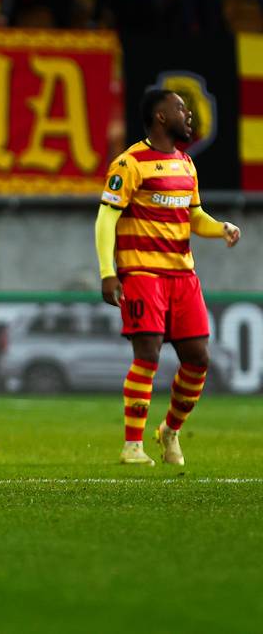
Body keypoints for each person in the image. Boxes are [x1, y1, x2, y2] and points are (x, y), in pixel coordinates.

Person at [95, 88, 241, 466]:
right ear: (160, 117)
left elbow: (193, 216)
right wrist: (109, 272)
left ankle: (170, 430)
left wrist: (220, 227)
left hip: (183, 276)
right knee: (148, 352)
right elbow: (106, 218)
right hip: (143, 272)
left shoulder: (186, 165)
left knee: (198, 359)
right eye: (180, 108)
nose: (187, 114)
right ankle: (132, 446)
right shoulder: (129, 164)